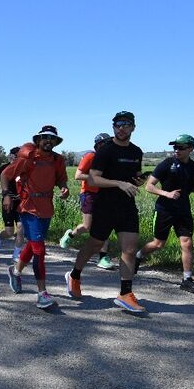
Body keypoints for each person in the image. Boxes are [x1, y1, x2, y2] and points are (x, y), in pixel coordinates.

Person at [64, 111, 146, 313]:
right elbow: (92, 179)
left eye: (126, 124)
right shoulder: (105, 151)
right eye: (118, 124)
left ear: (133, 127)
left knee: (129, 248)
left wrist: (138, 181)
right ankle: (74, 275)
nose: (121, 128)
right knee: (95, 244)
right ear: (113, 127)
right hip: (105, 205)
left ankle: (125, 293)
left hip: (127, 206)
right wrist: (119, 183)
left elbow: (133, 176)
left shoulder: (136, 152)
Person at [2, 125, 69, 308]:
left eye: (52, 138)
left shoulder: (58, 160)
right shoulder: (28, 159)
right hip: (28, 207)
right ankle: (42, 293)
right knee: (39, 250)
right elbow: (5, 175)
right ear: (38, 140)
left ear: (56, 142)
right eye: (44, 137)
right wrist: (6, 195)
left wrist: (64, 187)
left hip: (46, 208)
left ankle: (15, 271)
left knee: (33, 246)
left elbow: (61, 179)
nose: (48, 141)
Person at [135, 134, 194, 294]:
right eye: (175, 147)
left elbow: (191, 187)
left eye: (180, 147)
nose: (176, 150)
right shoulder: (166, 164)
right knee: (158, 244)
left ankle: (187, 279)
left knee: (187, 242)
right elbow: (149, 186)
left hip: (183, 210)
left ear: (190, 149)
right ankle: (138, 256)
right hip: (164, 210)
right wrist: (167, 194)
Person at [59, 133, 116, 270]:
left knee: (104, 225)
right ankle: (70, 234)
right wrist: (96, 178)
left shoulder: (110, 159)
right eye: (105, 143)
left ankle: (103, 257)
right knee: (87, 226)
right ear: (98, 145)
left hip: (104, 194)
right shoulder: (90, 156)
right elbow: (78, 175)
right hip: (88, 194)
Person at [0, 146, 25, 258]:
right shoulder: (5, 168)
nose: (17, 159)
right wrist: (1, 191)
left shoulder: (24, 169)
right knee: (9, 232)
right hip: (8, 202)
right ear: (11, 156)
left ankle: (16, 255)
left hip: (21, 203)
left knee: (21, 228)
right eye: (16, 156)